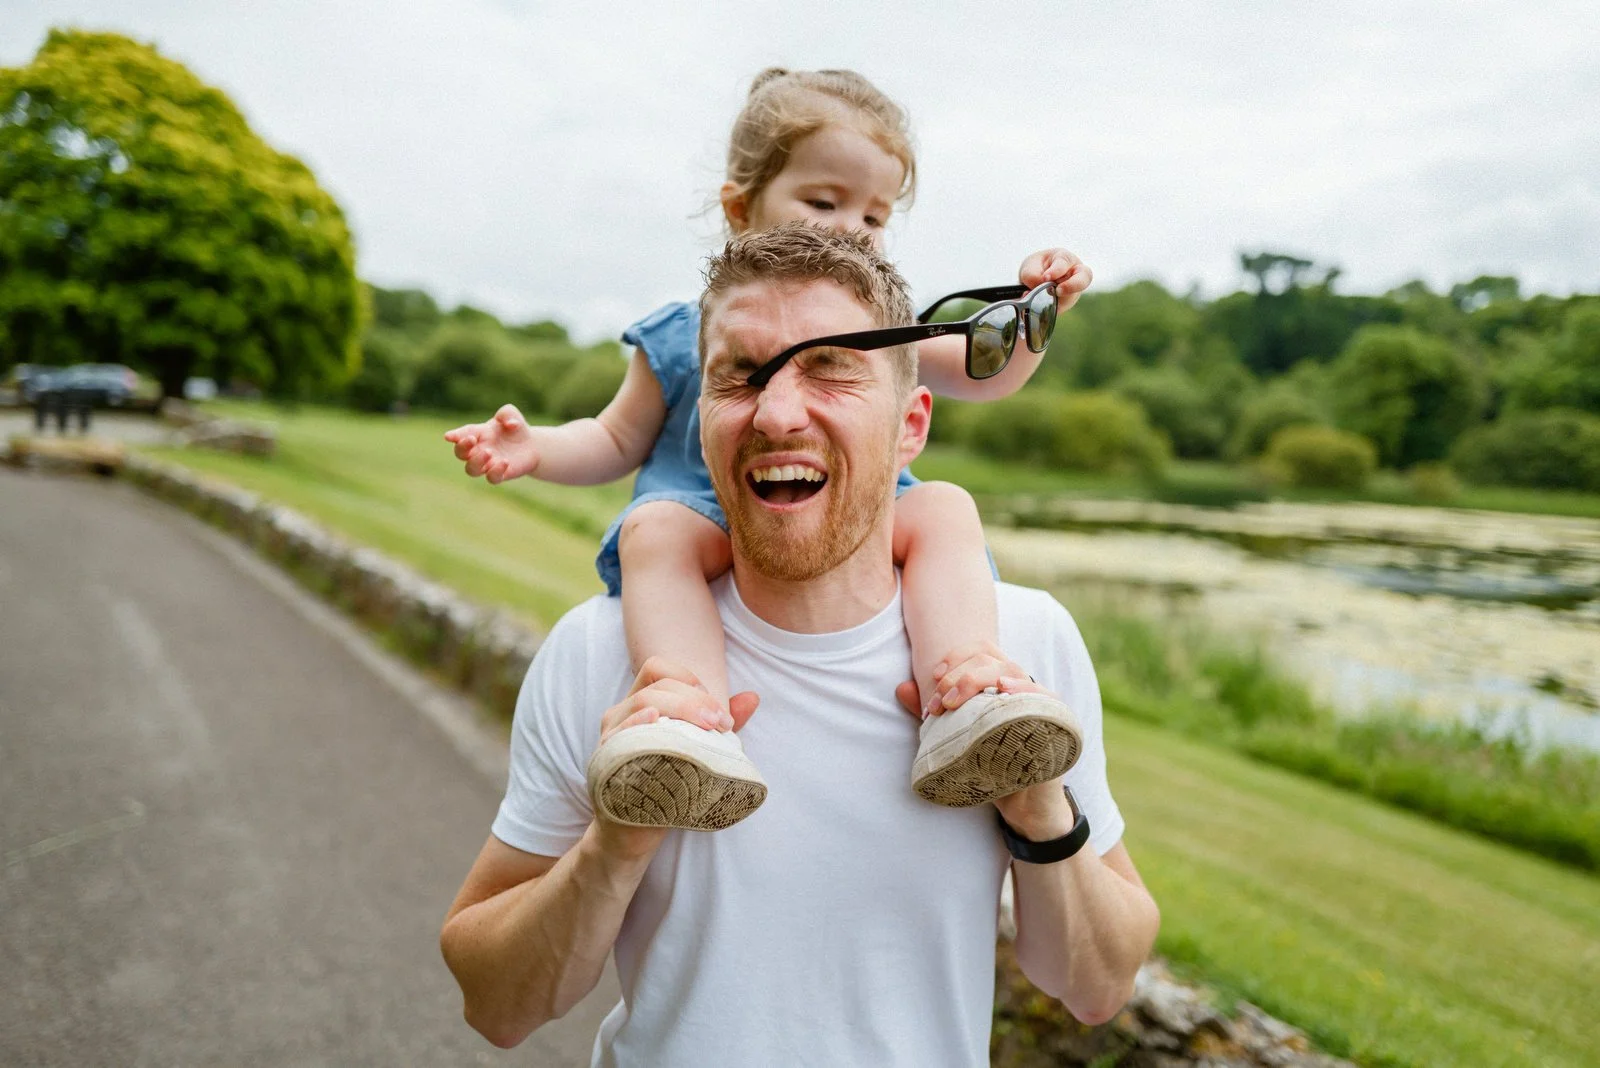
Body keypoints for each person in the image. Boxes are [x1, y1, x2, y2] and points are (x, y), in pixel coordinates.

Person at [439, 223, 1160, 1065]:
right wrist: (619, 838)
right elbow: (495, 1003)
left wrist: (1037, 802)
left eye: (832, 367)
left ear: (910, 425)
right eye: (741, 376)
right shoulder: (602, 650)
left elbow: (1099, 986)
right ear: (702, 418)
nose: (777, 413)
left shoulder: (1022, 646)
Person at [444, 68, 1094, 830]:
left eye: (875, 215)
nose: (852, 228)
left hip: (854, 514)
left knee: (946, 507)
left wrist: (1035, 317)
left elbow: (984, 378)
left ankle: (966, 689)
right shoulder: (689, 330)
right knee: (657, 531)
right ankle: (684, 713)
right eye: (824, 202)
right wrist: (536, 450)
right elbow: (618, 436)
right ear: (740, 208)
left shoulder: (885, 324)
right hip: (705, 511)